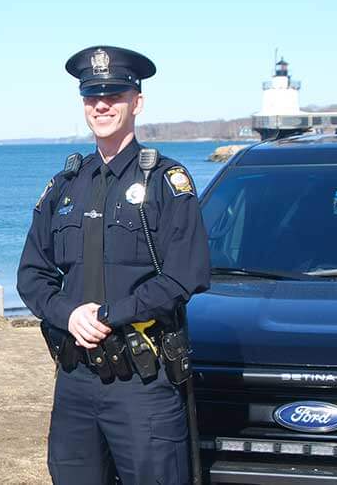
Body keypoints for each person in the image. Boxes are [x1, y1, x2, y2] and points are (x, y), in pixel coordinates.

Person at [17, 46, 210, 485]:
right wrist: (68, 313)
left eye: (114, 94)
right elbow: (31, 274)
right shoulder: (65, 186)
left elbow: (185, 274)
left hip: (142, 382)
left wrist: (106, 316)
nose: (101, 105)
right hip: (75, 379)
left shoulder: (166, 182)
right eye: (91, 96)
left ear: (136, 102)